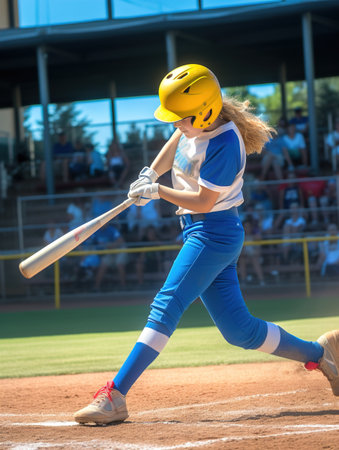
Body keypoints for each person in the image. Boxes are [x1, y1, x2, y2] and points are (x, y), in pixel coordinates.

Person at [74, 63, 339, 425]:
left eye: (180, 118)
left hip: (212, 231)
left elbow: (202, 201)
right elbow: (175, 142)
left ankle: (115, 395)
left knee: (167, 302)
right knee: (239, 330)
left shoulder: (225, 143)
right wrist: (151, 171)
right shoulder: (193, 124)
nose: (175, 124)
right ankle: (320, 353)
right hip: (202, 231)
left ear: (205, 112)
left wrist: (157, 191)